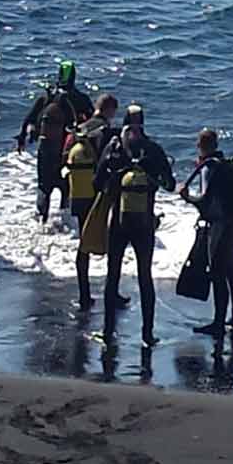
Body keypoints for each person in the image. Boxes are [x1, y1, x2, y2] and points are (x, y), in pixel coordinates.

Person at [93, 106, 174, 345]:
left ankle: (107, 333)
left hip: (118, 221)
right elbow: (169, 184)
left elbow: (98, 182)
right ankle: (148, 335)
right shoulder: (152, 149)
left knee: (113, 275)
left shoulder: (115, 147)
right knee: (145, 277)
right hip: (145, 223)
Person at [179, 127, 233, 335]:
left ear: (201, 146)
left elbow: (206, 203)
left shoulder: (209, 168)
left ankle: (218, 324)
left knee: (218, 272)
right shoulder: (226, 165)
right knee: (232, 270)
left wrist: (187, 197)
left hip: (221, 225)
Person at [16, 60, 93, 222]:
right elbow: (92, 124)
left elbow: (28, 119)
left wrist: (22, 140)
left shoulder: (46, 98)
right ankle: (64, 222)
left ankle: (41, 222)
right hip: (67, 153)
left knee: (44, 188)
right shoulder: (81, 99)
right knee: (66, 187)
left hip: (46, 151)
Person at [66, 93, 119, 309]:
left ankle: (84, 294)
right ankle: (112, 293)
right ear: (109, 110)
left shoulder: (80, 130)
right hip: (98, 194)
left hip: (78, 193)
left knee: (84, 244)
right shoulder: (104, 131)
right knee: (113, 244)